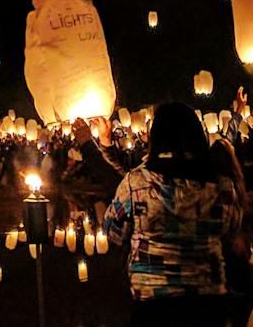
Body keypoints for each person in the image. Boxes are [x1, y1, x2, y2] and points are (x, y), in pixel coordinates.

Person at [102, 101, 243, 325]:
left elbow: (114, 232)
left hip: (153, 300)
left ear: (156, 136)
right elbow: (232, 228)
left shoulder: (137, 182)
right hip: (208, 300)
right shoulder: (222, 186)